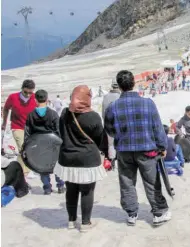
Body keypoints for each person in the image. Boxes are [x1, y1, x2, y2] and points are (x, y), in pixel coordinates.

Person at [104, 70, 171, 227]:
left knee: (127, 182)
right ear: (133, 83)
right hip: (147, 151)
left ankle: (131, 214)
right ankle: (158, 213)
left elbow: (109, 130)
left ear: (119, 86)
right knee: (151, 182)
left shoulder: (113, 107)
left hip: (124, 151)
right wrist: (162, 146)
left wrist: (122, 135)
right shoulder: (148, 103)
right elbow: (157, 127)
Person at [54, 85, 107, 232]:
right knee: (87, 191)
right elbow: (99, 138)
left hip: (67, 158)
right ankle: (85, 223)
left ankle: (71, 221)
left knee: (71, 190)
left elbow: (61, 133)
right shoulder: (93, 116)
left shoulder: (64, 114)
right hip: (87, 159)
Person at [24, 90, 65, 195]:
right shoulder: (53, 114)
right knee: (57, 165)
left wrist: (25, 148)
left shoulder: (31, 115)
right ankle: (60, 186)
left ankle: (47, 188)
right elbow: (59, 130)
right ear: (47, 100)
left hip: (37, 145)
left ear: (35, 100)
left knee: (41, 167)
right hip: (53, 145)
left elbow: (27, 133)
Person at [2, 79, 36, 176]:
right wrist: (4, 122)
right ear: (22, 89)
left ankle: (17, 169)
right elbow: (6, 109)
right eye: (26, 92)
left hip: (30, 128)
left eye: (30, 92)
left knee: (28, 150)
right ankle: (23, 174)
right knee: (23, 148)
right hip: (17, 126)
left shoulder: (34, 97)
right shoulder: (13, 97)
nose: (28, 95)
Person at [102, 78, 121, 168]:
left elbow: (103, 113)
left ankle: (112, 161)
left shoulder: (105, 97)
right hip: (120, 124)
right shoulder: (121, 96)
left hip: (108, 124)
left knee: (110, 144)